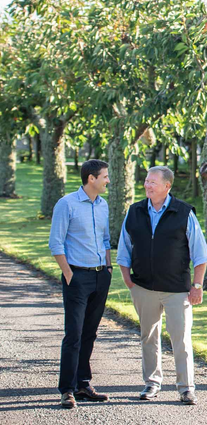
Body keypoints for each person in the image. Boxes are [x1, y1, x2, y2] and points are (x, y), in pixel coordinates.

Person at [117, 165, 207, 406]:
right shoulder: (134, 211)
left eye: (153, 182)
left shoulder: (184, 213)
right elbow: (124, 249)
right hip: (144, 288)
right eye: (146, 181)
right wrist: (128, 280)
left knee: (181, 339)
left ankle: (186, 388)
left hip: (177, 290)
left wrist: (197, 286)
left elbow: (200, 254)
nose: (147, 185)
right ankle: (152, 383)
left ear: (167, 186)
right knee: (148, 337)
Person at [48, 159, 112, 409]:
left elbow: (106, 239)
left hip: (100, 277)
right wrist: (68, 274)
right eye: (105, 176)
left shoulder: (103, 204)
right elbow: (56, 243)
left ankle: (83, 384)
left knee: (90, 333)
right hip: (77, 277)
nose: (108, 180)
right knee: (73, 335)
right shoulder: (67, 204)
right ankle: (67, 390)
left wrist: (107, 268)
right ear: (91, 179)